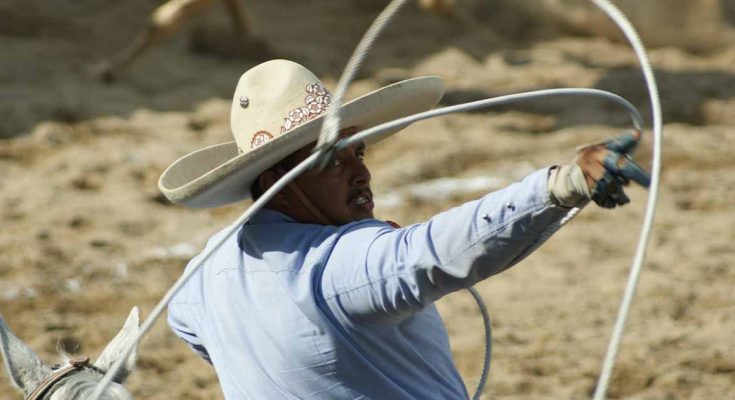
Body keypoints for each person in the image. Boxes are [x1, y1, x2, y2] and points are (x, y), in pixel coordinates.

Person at [158, 59, 649, 399]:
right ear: (277, 184)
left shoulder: (203, 277)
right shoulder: (340, 268)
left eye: (360, 152)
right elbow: (432, 252)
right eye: (333, 161)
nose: (361, 173)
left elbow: (186, 325)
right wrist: (562, 185)